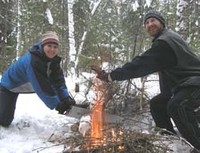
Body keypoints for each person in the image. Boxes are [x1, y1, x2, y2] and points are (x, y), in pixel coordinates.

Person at [92, 10, 200, 152]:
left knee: (177, 106)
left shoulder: (165, 42)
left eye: (153, 21)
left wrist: (111, 76)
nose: (150, 24)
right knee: (157, 104)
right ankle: (170, 140)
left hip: (195, 83)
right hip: (186, 85)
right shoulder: (165, 39)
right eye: (147, 22)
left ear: (162, 23)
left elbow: (140, 65)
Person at [0, 31, 79, 127]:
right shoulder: (33, 61)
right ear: (42, 45)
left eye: (55, 47)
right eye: (49, 46)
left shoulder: (53, 61)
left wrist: (65, 97)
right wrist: (57, 105)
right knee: (4, 121)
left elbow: (58, 81)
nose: (52, 50)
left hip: (28, 84)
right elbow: (42, 87)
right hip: (9, 86)